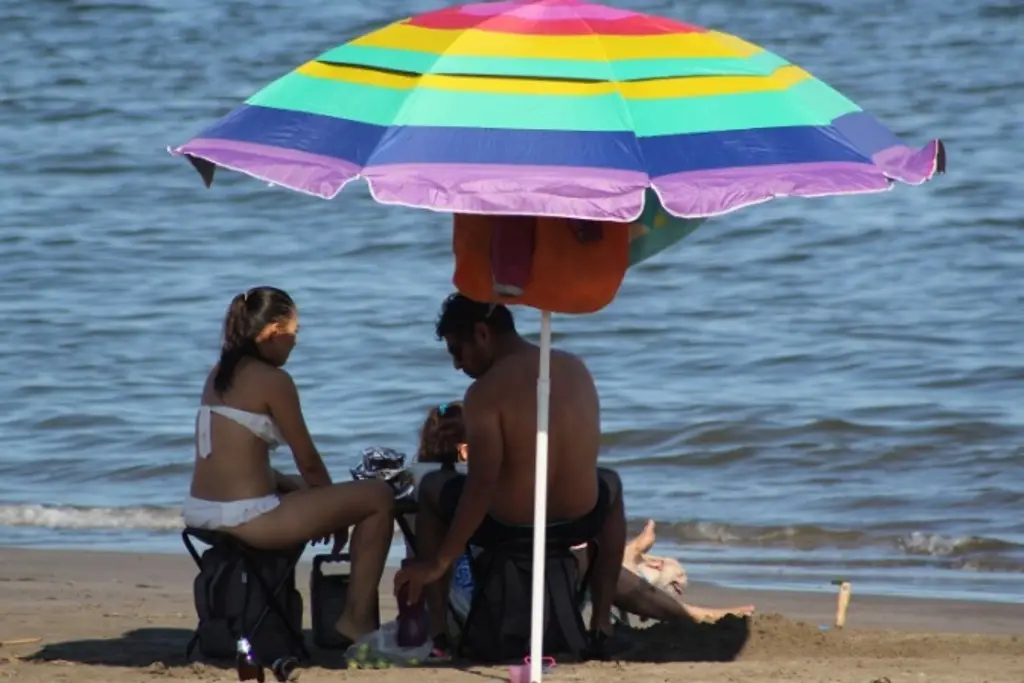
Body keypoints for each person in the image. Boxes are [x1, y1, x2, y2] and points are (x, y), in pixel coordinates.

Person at [394, 293, 626, 659]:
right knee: (611, 483)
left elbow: (481, 486)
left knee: (433, 489)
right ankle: (601, 622)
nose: (457, 365)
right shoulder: (574, 367)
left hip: (514, 524)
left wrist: (440, 560)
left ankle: (437, 631)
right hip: (580, 519)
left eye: (458, 351)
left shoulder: (484, 393)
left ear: (482, 334)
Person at [413, 401, 754, 626]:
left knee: (585, 554)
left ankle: (628, 556)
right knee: (590, 556)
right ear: (466, 450)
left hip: (460, 604)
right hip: (491, 608)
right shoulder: (475, 490)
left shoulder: (426, 485)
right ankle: (692, 616)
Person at [183, 286, 395, 645]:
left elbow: (228, 456)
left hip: (203, 512)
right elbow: (309, 459)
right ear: (272, 332)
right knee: (378, 497)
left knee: (296, 482)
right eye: (294, 333)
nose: (296, 343)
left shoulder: (220, 373)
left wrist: (290, 484)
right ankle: (355, 619)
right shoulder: (274, 381)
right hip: (247, 518)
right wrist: (337, 515)